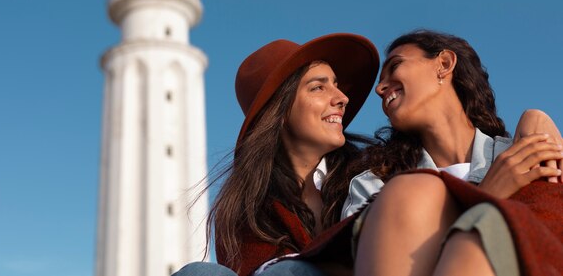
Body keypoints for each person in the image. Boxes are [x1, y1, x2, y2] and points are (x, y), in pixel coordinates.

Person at [348, 30, 563, 276]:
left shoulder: (520, 152)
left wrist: (536, 117)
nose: (379, 88)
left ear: (445, 64)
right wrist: (488, 195)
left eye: (395, 65)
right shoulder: (374, 182)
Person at [174, 33, 380, 276]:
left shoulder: (372, 172)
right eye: (318, 88)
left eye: (336, 85)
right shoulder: (247, 210)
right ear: (280, 111)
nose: (342, 98)